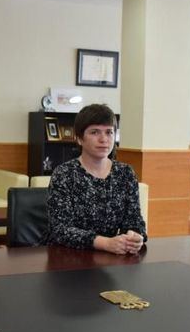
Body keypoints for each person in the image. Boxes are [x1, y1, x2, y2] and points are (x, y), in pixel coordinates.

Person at [46, 104, 147, 254]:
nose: (103, 139)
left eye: (109, 132)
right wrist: (104, 243)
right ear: (79, 138)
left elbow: (134, 220)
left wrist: (135, 236)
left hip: (113, 257)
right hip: (67, 258)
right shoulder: (64, 174)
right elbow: (60, 230)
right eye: (95, 132)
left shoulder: (125, 173)